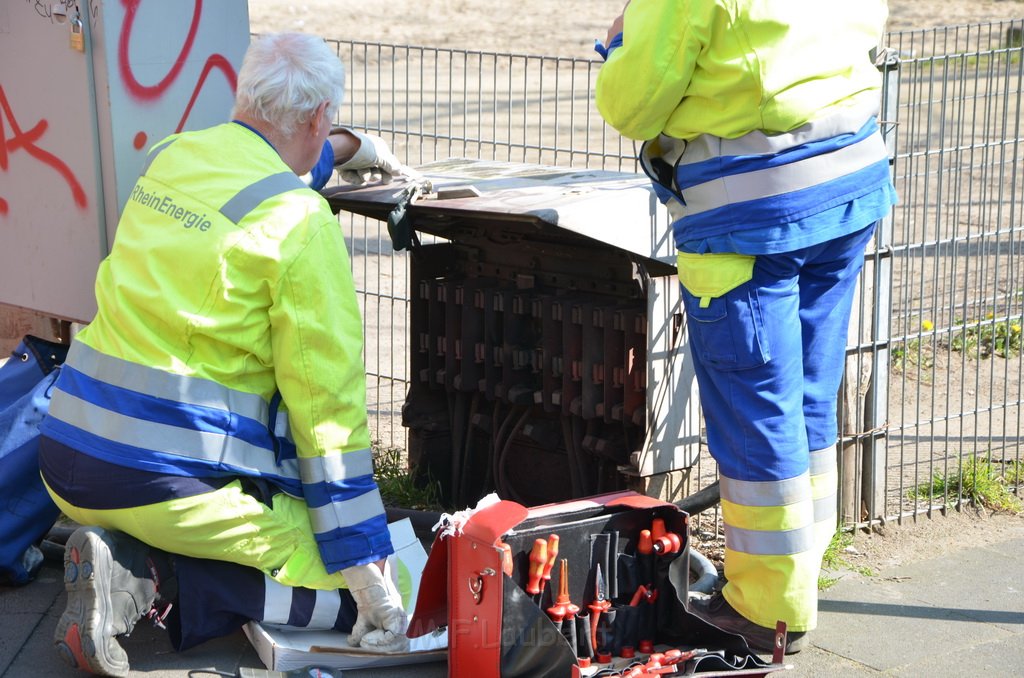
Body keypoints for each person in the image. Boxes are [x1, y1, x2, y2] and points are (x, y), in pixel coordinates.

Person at [38, 32, 420, 677]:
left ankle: (121, 554)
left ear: (244, 96)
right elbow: (327, 415)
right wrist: (364, 563)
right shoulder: (301, 224)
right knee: (387, 594)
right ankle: (151, 581)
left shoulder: (175, 157)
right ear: (319, 116)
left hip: (68, 450)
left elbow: (265, 165)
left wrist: (346, 149)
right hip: (163, 479)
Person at [595, 0, 897, 655]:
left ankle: (765, 607)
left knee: (756, 406)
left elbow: (632, 105)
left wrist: (619, 46)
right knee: (808, 392)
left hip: (750, 212)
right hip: (848, 179)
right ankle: (801, 573)